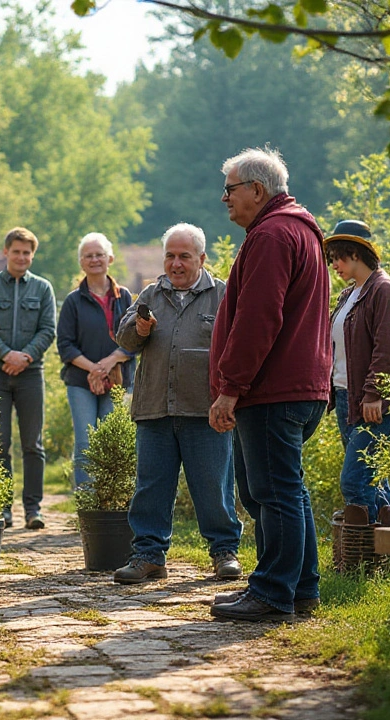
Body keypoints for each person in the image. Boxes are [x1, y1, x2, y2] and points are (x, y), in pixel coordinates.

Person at [208, 147, 332, 621]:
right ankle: (301, 588)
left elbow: (259, 321)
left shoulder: (273, 235)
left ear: (257, 190)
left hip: (274, 389)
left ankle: (272, 592)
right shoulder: (296, 230)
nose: (225, 199)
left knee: (272, 493)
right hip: (300, 386)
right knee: (288, 490)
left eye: (231, 189)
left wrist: (230, 387)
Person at [113, 223, 243, 584]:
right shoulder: (150, 295)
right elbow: (123, 337)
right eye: (170, 256)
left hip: (206, 411)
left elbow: (241, 347)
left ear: (201, 258)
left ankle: (224, 552)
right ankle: (148, 556)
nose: (175, 263)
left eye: (184, 256)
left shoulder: (224, 295)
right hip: (155, 407)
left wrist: (231, 397)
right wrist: (139, 330)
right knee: (151, 487)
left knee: (213, 486)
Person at [324, 219, 390, 526]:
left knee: (355, 481)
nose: (334, 263)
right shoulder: (348, 295)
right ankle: (384, 558)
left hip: (374, 403)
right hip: (347, 399)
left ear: (356, 253)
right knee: (373, 482)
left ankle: (361, 559)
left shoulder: (384, 290)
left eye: (338, 256)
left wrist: (375, 395)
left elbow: (388, 347)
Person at [0, 227, 57, 530]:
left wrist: (24, 358)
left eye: (27, 252)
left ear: (32, 256)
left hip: (31, 375)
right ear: (5, 252)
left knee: (32, 444)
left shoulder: (43, 288)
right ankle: (2, 507)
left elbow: (48, 330)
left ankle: (33, 509)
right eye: (16, 251)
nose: (22, 257)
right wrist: (7, 355)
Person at [56, 233, 135, 489]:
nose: (94, 259)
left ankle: (110, 501)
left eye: (99, 254)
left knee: (112, 441)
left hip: (118, 379)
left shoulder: (124, 297)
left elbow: (136, 340)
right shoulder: (72, 301)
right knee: (85, 442)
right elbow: (65, 345)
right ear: (81, 262)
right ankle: (86, 503)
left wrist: (110, 362)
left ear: (110, 258)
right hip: (81, 382)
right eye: (88, 255)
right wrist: (94, 369)